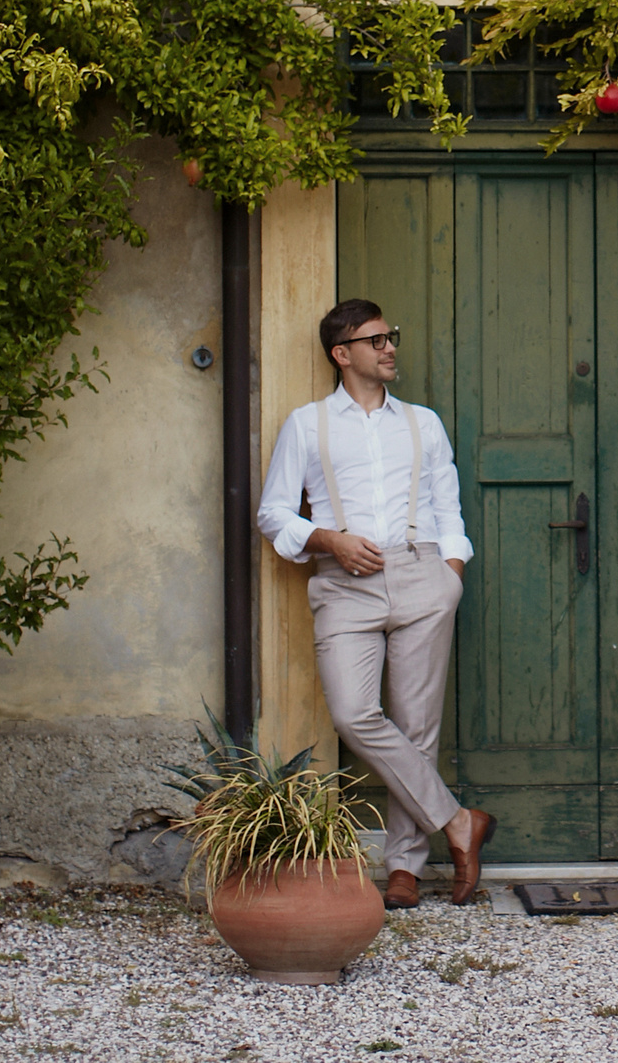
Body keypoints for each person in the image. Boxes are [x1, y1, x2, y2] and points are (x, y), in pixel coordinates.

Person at [256, 298, 496, 910]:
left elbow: (450, 508)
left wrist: (451, 573)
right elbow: (273, 511)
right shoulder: (307, 424)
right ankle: (459, 822)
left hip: (422, 575)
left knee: (417, 727)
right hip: (344, 583)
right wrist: (327, 539)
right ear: (343, 353)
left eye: (391, 336)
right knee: (354, 712)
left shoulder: (423, 423)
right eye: (376, 339)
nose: (390, 347)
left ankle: (405, 869)